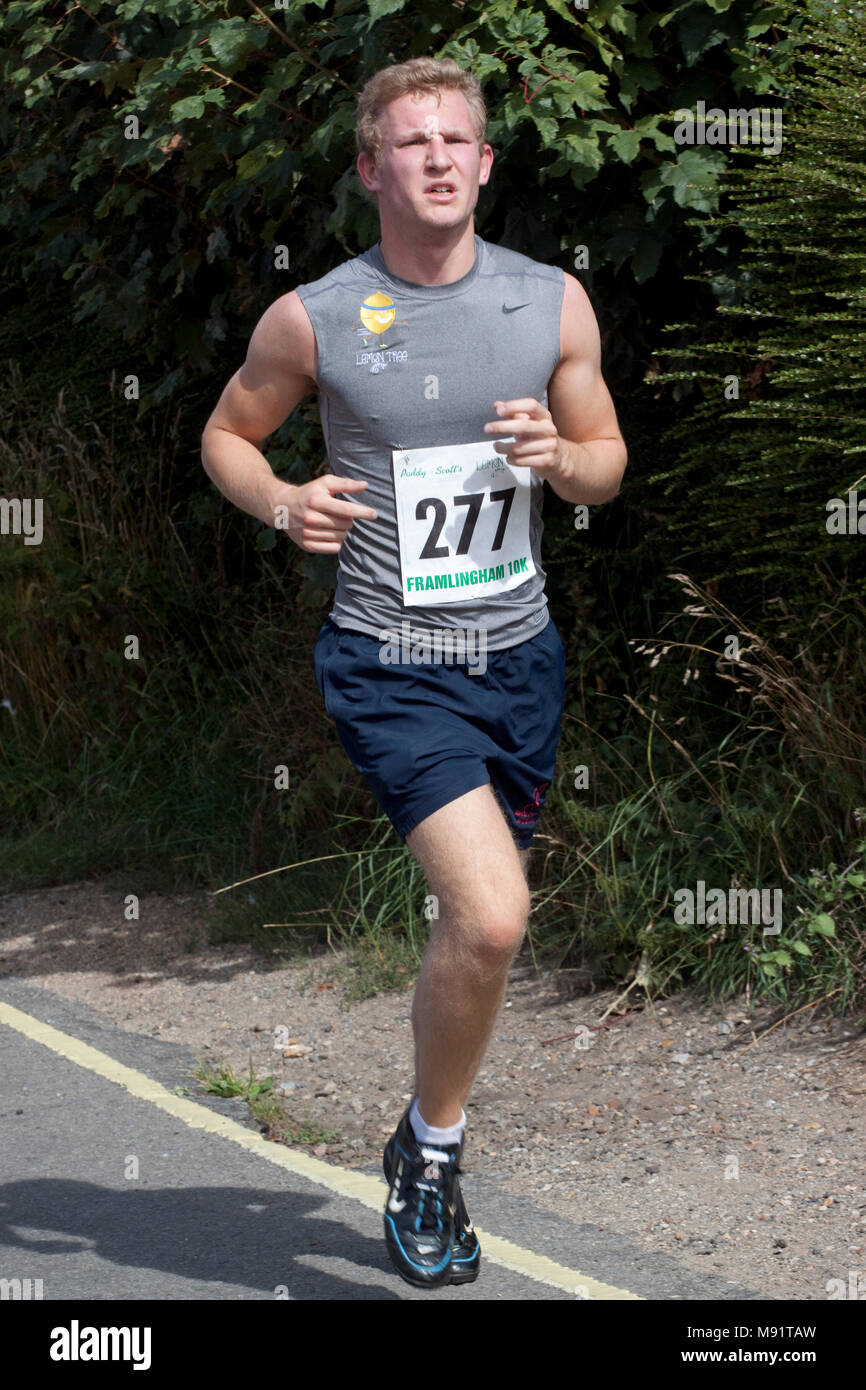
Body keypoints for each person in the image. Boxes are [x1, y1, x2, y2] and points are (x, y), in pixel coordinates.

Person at [201, 55, 627, 1292]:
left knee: (473, 933)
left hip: (518, 661)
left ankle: (418, 1128)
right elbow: (228, 433)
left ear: (484, 163)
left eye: (457, 139)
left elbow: (604, 461)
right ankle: (434, 1157)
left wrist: (561, 456)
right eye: (410, 141)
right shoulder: (316, 317)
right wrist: (283, 501)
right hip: (393, 660)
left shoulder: (549, 304)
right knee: (493, 913)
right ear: (369, 167)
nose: (437, 157)